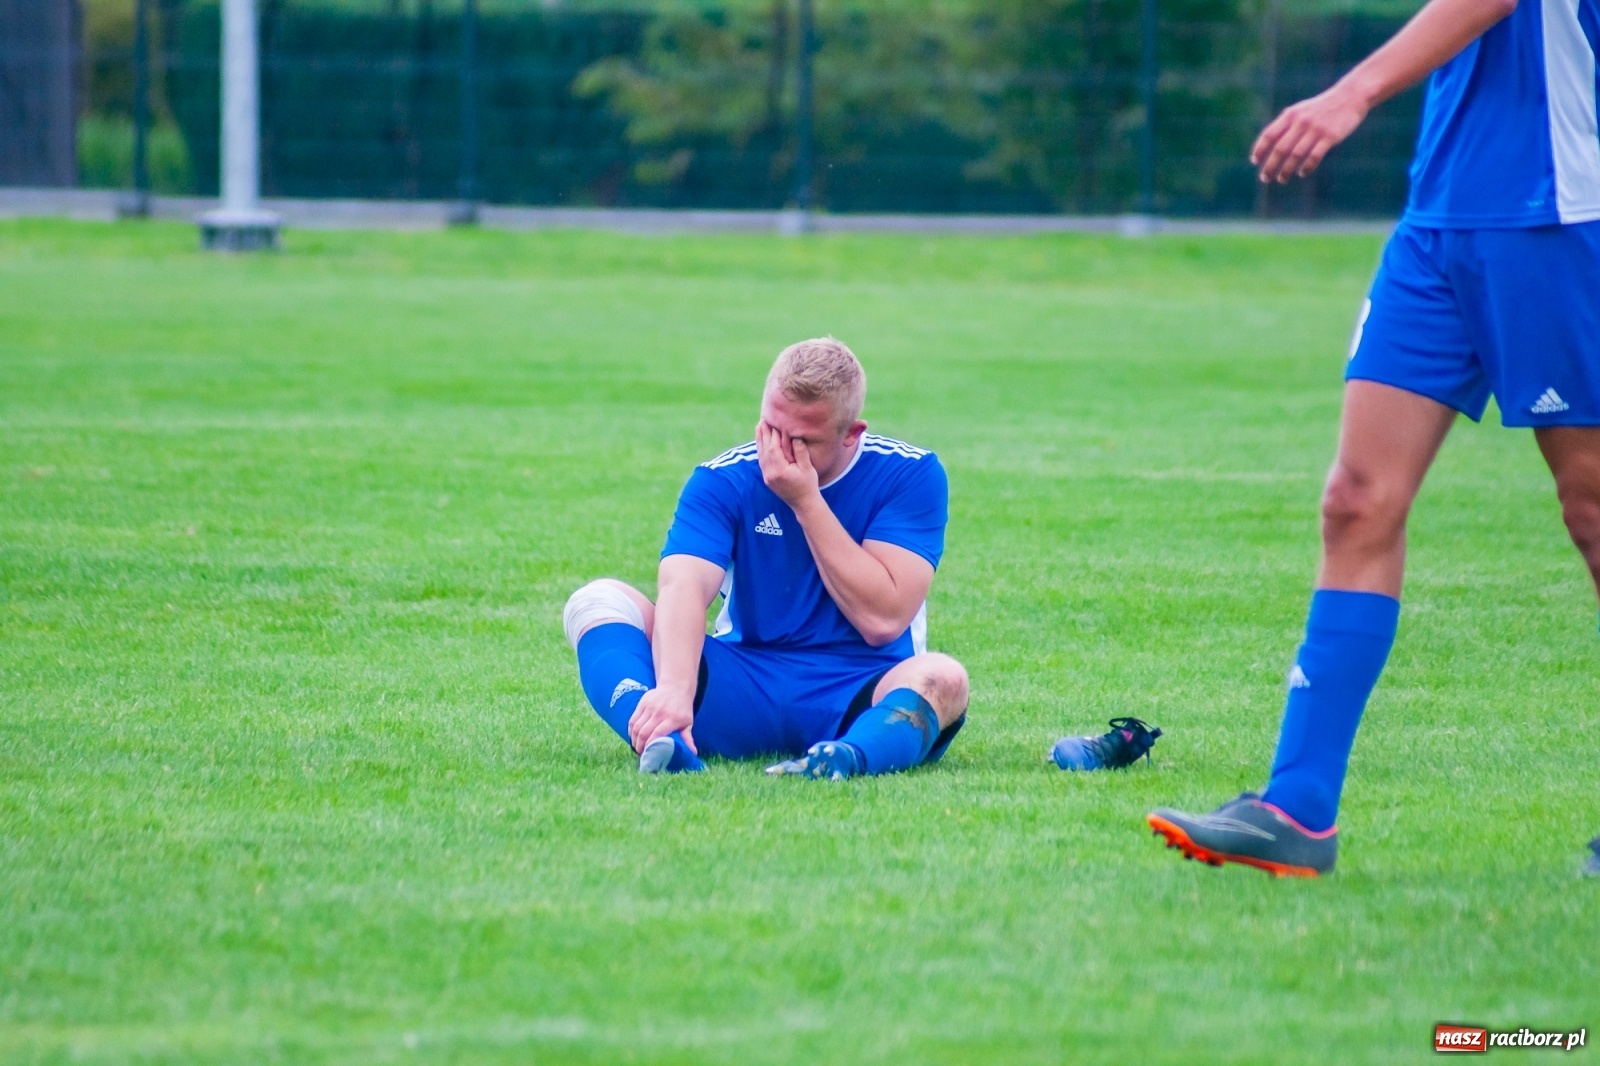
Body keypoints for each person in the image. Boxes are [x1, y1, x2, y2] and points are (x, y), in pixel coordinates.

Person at [1147, 0, 1600, 875]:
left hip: (1564, 211)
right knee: (1356, 502)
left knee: (1590, 509)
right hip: (1439, 221)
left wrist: (1352, 92)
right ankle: (1298, 809)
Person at [562, 338, 969, 778]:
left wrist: (806, 502)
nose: (778, 451)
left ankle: (846, 759)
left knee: (945, 678)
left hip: (861, 689)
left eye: (802, 440)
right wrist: (676, 691)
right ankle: (665, 739)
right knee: (597, 600)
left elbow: (883, 620)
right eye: (770, 428)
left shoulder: (910, 473)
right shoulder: (723, 478)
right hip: (745, 680)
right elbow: (683, 586)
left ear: (851, 434)